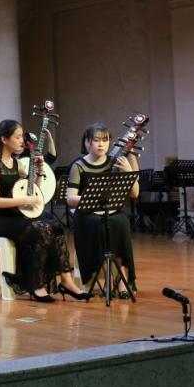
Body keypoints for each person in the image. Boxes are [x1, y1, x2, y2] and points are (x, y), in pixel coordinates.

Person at [0, 120, 88, 302]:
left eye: (22, 137)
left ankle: (66, 281)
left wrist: (39, 171)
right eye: (17, 137)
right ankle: (36, 285)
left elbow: (31, 190)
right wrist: (26, 201)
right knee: (39, 228)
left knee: (55, 226)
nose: (21, 141)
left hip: (17, 214)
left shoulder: (17, 163)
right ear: (4, 139)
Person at [66, 122, 140, 298]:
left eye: (105, 140)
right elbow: (70, 198)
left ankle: (121, 278)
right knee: (99, 224)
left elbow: (135, 194)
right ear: (87, 143)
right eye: (96, 140)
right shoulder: (79, 165)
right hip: (86, 213)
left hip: (109, 211)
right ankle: (108, 277)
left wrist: (128, 170)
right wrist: (93, 198)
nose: (101, 144)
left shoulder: (115, 162)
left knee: (121, 221)